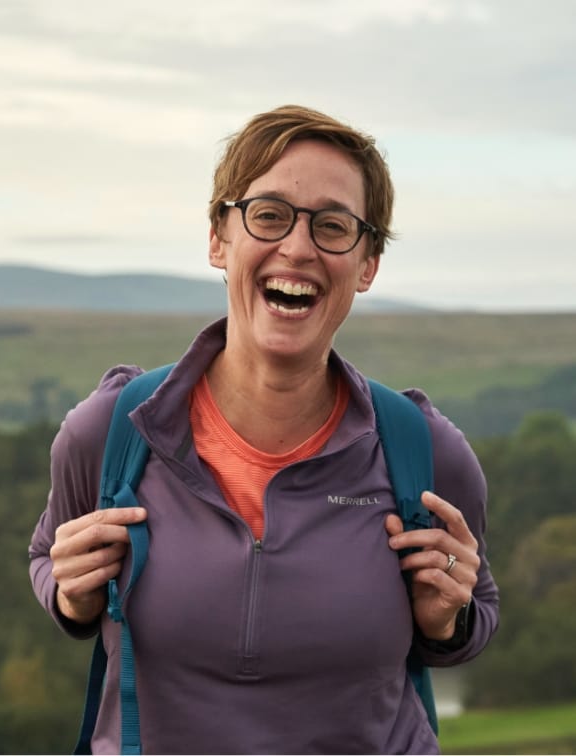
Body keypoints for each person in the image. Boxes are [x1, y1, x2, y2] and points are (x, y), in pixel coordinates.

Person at [29, 104, 499, 755]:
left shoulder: (421, 450)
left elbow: (478, 611)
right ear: (219, 238)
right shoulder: (111, 433)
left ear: (368, 264)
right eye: (269, 215)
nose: (299, 248)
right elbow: (45, 560)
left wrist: (449, 619)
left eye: (334, 226)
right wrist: (70, 596)